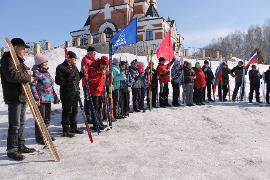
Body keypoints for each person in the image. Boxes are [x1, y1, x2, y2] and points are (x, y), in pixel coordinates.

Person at [0, 38, 36, 161]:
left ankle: (20, 145)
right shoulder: (7, 60)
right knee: (14, 124)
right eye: (22, 48)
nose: (24, 50)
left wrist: (29, 73)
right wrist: (28, 77)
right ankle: (12, 149)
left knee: (21, 123)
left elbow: (28, 73)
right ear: (15, 47)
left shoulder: (19, 61)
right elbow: (13, 76)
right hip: (13, 95)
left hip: (21, 95)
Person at [55, 51, 83, 137]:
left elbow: (77, 78)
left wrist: (82, 73)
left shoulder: (74, 67)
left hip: (75, 92)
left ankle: (73, 127)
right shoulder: (61, 67)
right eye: (74, 58)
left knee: (74, 111)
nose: (75, 60)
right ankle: (65, 129)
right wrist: (68, 79)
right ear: (69, 59)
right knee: (67, 111)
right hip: (66, 93)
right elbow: (58, 81)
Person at [30, 54, 55, 145]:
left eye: (46, 62)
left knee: (47, 118)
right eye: (45, 62)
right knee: (40, 118)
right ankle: (40, 137)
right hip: (41, 99)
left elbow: (50, 83)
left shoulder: (46, 71)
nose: (46, 63)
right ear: (40, 62)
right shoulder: (36, 72)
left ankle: (46, 134)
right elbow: (33, 86)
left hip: (48, 98)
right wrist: (36, 98)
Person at [88, 56, 109, 131]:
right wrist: (100, 73)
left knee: (100, 107)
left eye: (106, 66)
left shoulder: (103, 67)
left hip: (101, 90)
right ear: (101, 63)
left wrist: (108, 77)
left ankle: (99, 122)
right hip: (94, 90)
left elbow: (105, 76)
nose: (105, 67)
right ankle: (95, 123)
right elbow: (91, 79)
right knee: (95, 108)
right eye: (104, 65)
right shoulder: (93, 67)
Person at [81, 46, 97, 123]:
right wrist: (88, 80)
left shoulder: (94, 60)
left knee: (93, 100)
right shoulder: (85, 59)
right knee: (87, 99)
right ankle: (88, 115)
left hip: (94, 83)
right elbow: (85, 71)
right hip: (87, 83)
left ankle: (93, 114)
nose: (95, 53)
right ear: (90, 52)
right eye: (93, 52)